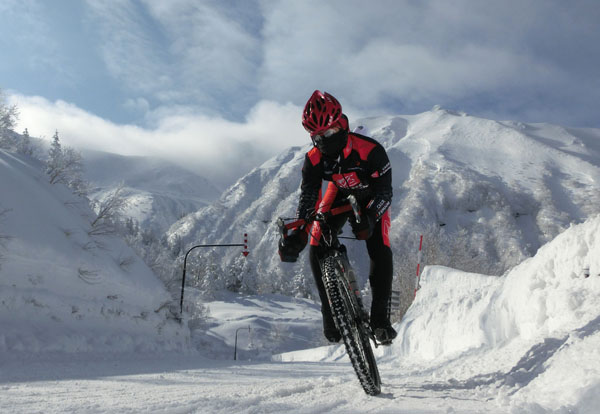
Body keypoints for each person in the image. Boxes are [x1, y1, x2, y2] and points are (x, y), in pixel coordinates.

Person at [279, 90, 397, 345]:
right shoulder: (313, 158)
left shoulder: (372, 151)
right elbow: (308, 198)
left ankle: (380, 320)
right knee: (315, 244)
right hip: (338, 192)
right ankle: (330, 313)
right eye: (317, 137)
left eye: (329, 133)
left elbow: (385, 192)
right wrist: (298, 232)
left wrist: (371, 217)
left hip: (371, 196)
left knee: (379, 247)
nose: (323, 141)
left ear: (342, 125)